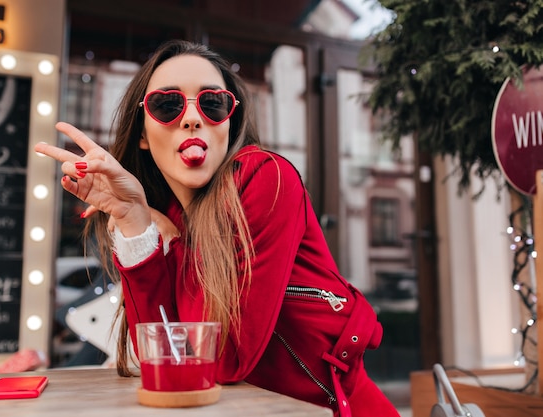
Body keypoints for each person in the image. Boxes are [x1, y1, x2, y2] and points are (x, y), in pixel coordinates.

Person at [35, 39, 400, 417]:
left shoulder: (265, 178)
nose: (192, 118)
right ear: (142, 134)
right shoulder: (165, 215)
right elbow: (162, 356)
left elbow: (218, 361)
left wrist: (175, 241)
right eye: (167, 105)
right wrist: (132, 220)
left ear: (230, 122)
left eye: (212, 104)